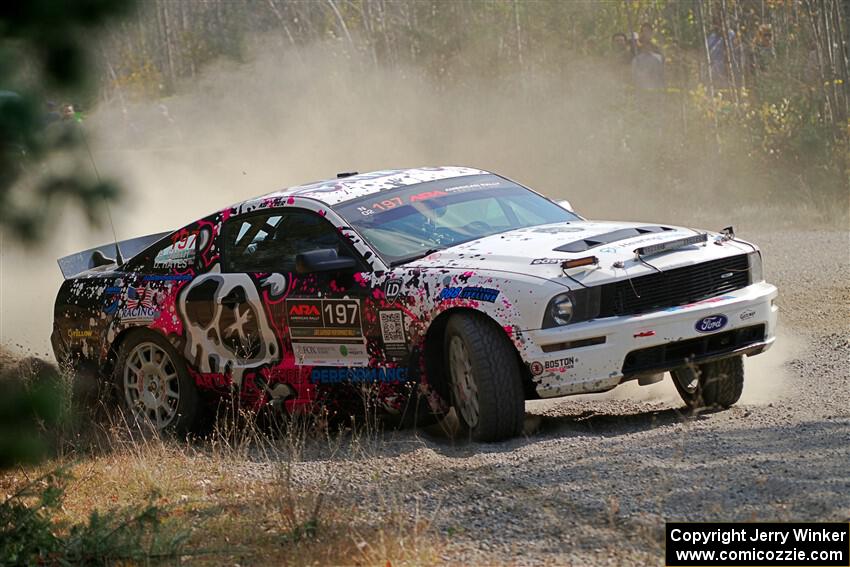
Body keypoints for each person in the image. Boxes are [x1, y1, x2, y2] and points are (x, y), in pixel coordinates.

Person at [631, 23, 665, 91]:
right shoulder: (634, 47)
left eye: (648, 31)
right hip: (639, 81)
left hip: (655, 82)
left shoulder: (656, 48)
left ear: (651, 33)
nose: (645, 33)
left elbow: (661, 65)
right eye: (644, 31)